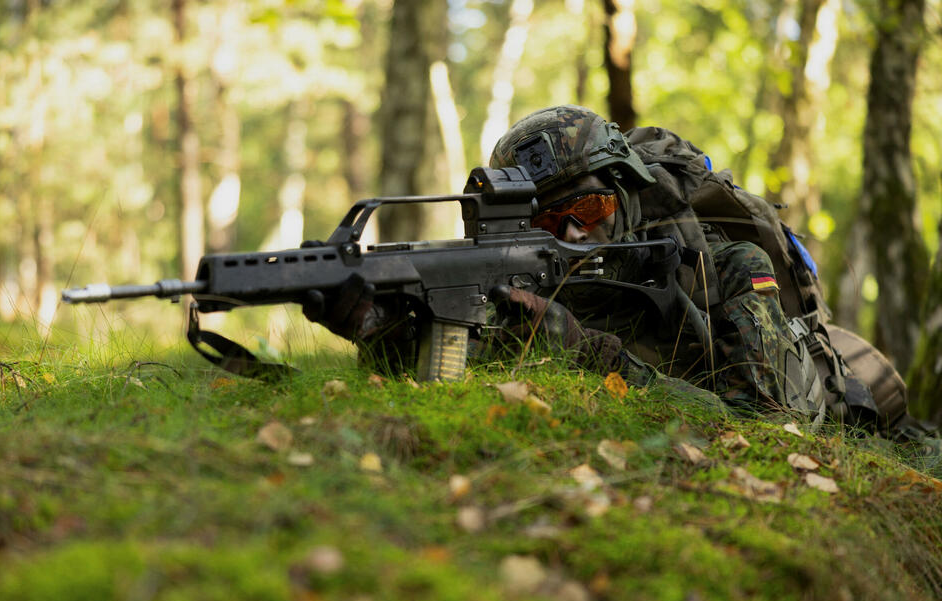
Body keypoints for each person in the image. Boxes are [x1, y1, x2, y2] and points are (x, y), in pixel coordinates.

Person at [303, 105, 918, 434]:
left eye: (590, 208)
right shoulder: (529, 280)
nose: (573, 233)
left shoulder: (726, 266)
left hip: (841, 406)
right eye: (547, 223)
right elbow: (442, 378)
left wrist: (589, 352)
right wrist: (371, 323)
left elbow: (775, 425)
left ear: (626, 190)